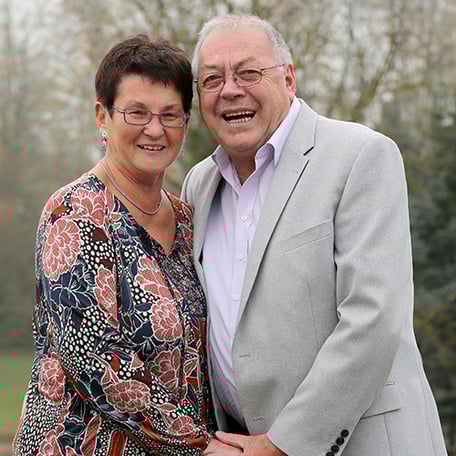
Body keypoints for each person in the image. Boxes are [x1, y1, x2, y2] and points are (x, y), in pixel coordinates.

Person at [181, 14, 448, 456]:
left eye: (248, 72)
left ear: (289, 78)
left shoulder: (360, 156)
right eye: (212, 79)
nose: (229, 90)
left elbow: (373, 319)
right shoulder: (199, 185)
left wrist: (284, 444)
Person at [13, 35, 215, 456]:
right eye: (137, 112)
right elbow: (96, 359)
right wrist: (200, 444)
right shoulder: (75, 214)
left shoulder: (188, 220)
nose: (155, 129)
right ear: (102, 115)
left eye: (170, 114)